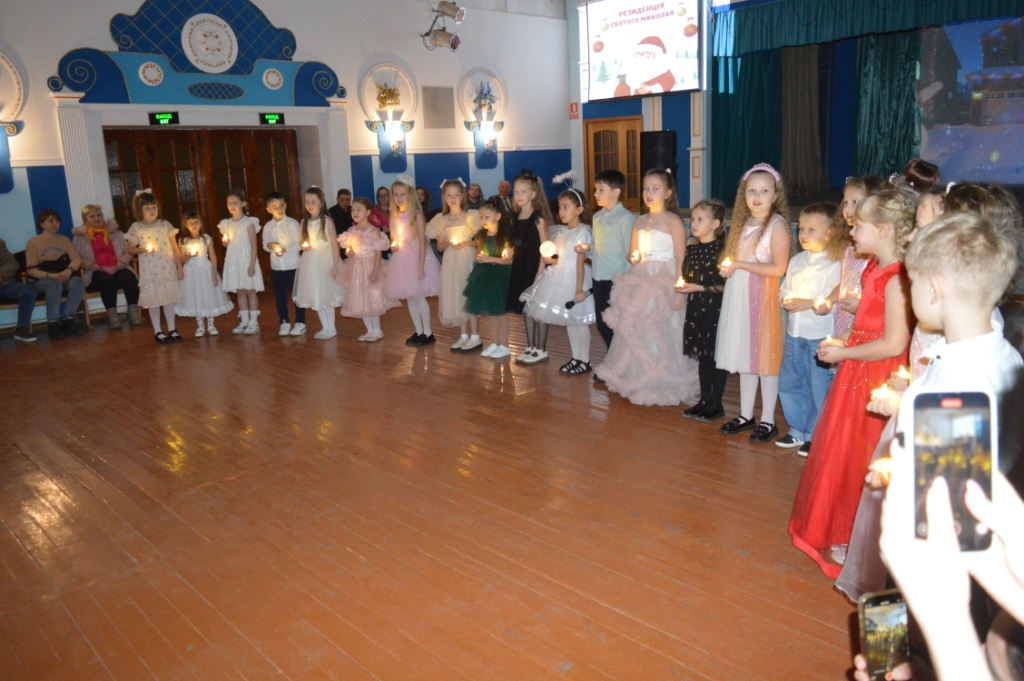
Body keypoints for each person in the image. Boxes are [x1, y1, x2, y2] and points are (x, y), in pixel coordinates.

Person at [788, 188, 914, 577]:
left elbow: (894, 343)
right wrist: (843, 340)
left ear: (884, 230)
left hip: (877, 372)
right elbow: (865, 323)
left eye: (859, 226)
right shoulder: (874, 268)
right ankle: (845, 528)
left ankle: (863, 535)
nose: (852, 231)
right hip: (857, 364)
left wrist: (846, 353)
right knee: (844, 452)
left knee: (864, 452)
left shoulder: (897, 278)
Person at [595, 168, 699, 405]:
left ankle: (665, 377)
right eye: (645, 189)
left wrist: (680, 291)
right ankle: (638, 375)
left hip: (665, 277)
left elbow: (681, 257)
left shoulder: (673, 221)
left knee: (663, 327)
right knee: (637, 325)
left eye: (655, 189)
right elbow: (633, 253)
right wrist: (634, 257)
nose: (649, 194)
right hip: (641, 277)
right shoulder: (639, 221)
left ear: (668, 193)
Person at [715, 163, 791, 442]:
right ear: (743, 194)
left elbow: (778, 268)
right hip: (740, 295)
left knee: (766, 358)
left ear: (775, 195)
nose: (757, 197)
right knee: (747, 357)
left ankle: (768, 420)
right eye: (751, 191)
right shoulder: (742, 224)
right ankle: (746, 415)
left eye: (764, 191)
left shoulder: (776, 225)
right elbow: (735, 260)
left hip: (764, 296)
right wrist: (729, 269)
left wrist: (740, 265)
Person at [775, 202, 845, 453]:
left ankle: (816, 433)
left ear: (829, 233)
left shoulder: (836, 264)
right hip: (795, 333)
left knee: (818, 386)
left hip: (818, 335)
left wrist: (810, 303)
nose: (803, 234)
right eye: (801, 228)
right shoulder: (796, 261)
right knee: (792, 381)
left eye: (811, 229)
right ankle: (798, 428)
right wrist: (784, 300)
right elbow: (785, 289)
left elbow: (837, 301)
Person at [520, 189, 596, 375]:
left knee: (579, 322)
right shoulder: (562, 232)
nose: (561, 211)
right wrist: (552, 260)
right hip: (559, 277)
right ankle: (576, 357)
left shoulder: (583, 232)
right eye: (560, 207)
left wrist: (579, 289)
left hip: (576, 279)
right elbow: (561, 257)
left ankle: (585, 360)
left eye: (566, 207)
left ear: (579, 210)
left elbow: (579, 262)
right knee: (569, 321)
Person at [677, 199, 728, 421]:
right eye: (693, 219)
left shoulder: (723, 251)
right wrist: (683, 284)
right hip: (697, 308)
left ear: (716, 224)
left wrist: (700, 288)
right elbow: (687, 276)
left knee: (716, 357)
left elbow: (727, 287)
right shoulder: (693, 250)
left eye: (700, 219)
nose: (694, 223)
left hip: (716, 310)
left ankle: (716, 403)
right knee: (703, 356)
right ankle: (704, 400)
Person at [427, 178, 482, 351]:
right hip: (450, 260)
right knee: (455, 294)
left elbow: (480, 242)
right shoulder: (441, 220)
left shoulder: (470, 217)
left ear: (462, 196)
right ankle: (463, 335)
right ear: (444, 197)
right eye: (449, 195)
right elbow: (440, 247)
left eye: (456, 195)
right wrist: (449, 243)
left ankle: (475, 336)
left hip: (466, 258)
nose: (452, 199)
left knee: (468, 294)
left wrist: (467, 243)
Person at [385, 174, 440, 346]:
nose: (399, 198)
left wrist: (421, 265)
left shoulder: (416, 215)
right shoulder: (394, 215)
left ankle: (428, 332)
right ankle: (418, 330)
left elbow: (423, 242)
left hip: (417, 258)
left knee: (419, 296)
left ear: (410, 195)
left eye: (402, 194)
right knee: (410, 297)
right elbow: (395, 238)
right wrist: (393, 246)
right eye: (396, 194)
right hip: (402, 260)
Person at [504, 170, 553, 364]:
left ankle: (541, 349)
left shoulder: (538, 218)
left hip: (536, 267)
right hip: (521, 266)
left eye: (523, 191)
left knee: (538, 310)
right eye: (516, 191)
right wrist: (510, 250)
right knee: (527, 308)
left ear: (533, 194)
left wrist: (540, 272)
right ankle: (531, 346)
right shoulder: (516, 216)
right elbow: (516, 241)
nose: (518, 195)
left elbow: (545, 248)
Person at [125, 192, 184, 344]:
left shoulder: (165, 225)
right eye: (147, 208)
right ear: (140, 210)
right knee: (154, 300)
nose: (152, 211)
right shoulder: (136, 227)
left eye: (154, 207)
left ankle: (172, 329)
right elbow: (130, 249)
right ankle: (158, 331)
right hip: (150, 270)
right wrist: (143, 249)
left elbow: (174, 248)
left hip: (167, 268)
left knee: (169, 299)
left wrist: (179, 267)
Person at [830, 175, 885, 338]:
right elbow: (845, 281)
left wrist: (862, 305)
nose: (848, 209)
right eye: (845, 202)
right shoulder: (849, 245)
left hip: (865, 316)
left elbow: (881, 294)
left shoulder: (875, 249)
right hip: (844, 313)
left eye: (855, 202)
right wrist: (829, 299)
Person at [71, 204, 141, 329]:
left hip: (118, 267)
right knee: (108, 282)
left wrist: (121, 262)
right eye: (92, 216)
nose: (97, 218)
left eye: (99, 215)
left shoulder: (116, 233)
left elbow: (128, 251)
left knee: (129, 278)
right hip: (96, 271)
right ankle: (113, 316)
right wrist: (91, 264)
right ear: (85, 220)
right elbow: (75, 256)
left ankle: (133, 312)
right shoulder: (80, 237)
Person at [338, 197, 397, 342]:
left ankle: (377, 330)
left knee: (372, 298)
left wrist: (375, 272)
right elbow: (351, 250)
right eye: (353, 210)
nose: (355, 213)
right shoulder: (351, 231)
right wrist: (350, 252)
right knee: (360, 299)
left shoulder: (373, 231)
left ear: (368, 212)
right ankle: (369, 330)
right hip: (356, 267)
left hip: (370, 266)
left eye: (359, 210)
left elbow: (378, 253)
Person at [590, 169, 634, 355]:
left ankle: (619, 359)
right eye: (595, 189)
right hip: (598, 276)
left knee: (617, 323)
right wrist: (586, 249)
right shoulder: (597, 217)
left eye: (601, 190)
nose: (595, 194)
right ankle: (613, 358)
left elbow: (630, 253)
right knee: (602, 323)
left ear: (616, 192)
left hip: (616, 279)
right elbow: (595, 246)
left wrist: (627, 282)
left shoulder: (625, 219)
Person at [25, 209, 87, 339]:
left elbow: (76, 258)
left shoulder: (64, 240)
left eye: (57, 221)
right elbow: (31, 269)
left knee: (78, 282)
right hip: (41, 280)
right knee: (54, 284)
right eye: (50, 221)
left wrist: (69, 270)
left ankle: (69, 319)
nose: (55, 224)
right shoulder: (33, 242)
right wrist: (50, 276)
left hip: (62, 276)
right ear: (41, 224)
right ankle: (53, 323)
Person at [293, 186, 345, 340]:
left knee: (326, 295)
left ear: (321, 203)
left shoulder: (326, 221)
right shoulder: (304, 222)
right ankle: (325, 327)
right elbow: (301, 241)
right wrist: (304, 245)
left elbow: (334, 244)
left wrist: (336, 264)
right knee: (316, 294)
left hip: (325, 260)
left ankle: (331, 328)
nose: (310, 205)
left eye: (313, 201)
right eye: (307, 201)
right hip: (310, 261)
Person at [464, 199, 513, 358]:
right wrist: (480, 258)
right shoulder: (482, 235)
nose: (483, 220)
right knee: (492, 312)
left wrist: (489, 259)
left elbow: (510, 261)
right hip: (485, 274)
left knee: (501, 313)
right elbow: (480, 254)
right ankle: (495, 342)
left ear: (497, 216)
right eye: (481, 217)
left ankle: (505, 345)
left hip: (501, 276)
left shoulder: (505, 236)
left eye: (487, 217)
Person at [177, 210, 233, 337]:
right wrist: (189, 256)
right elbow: (181, 259)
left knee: (209, 296)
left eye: (196, 222)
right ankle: (200, 325)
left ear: (201, 224)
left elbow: (212, 256)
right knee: (196, 297)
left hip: (205, 270)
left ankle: (211, 324)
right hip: (191, 272)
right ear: (186, 225)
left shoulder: (206, 238)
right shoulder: (183, 240)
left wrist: (214, 273)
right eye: (190, 223)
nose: (194, 225)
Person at [218, 188, 264, 335]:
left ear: (243, 204)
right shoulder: (227, 224)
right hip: (234, 261)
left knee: (250, 290)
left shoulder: (248, 223)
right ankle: (244, 321)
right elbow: (228, 243)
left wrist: (252, 265)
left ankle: (254, 322)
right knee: (240, 291)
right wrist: (225, 243)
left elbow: (253, 246)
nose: (232, 206)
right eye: (229, 203)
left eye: (235, 203)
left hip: (246, 260)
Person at [263, 192, 307, 336]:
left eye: (281, 205)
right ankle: (284, 322)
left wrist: (285, 249)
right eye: (275, 207)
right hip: (277, 266)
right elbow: (264, 244)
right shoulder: (268, 227)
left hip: (293, 265)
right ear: (268, 209)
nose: (279, 209)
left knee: (297, 295)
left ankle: (300, 322)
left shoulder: (292, 224)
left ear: (285, 206)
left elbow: (299, 243)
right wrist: (270, 245)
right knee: (280, 296)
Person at [0, 238, 38, 342]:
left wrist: (1, 274)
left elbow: (13, 264)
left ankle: (22, 328)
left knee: (28, 291)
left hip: (5, 284)